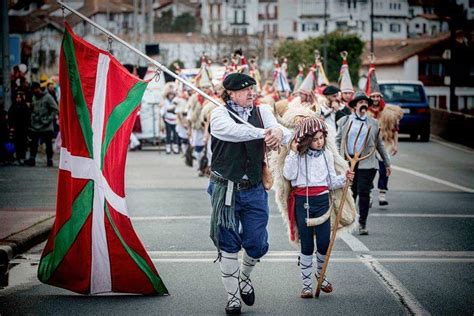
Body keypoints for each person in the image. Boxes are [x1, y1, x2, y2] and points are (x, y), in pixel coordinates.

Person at [208, 73, 291, 314]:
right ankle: (233, 298)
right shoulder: (219, 114)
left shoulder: (262, 110)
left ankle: (244, 276)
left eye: (252, 88)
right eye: (245, 89)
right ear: (231, 93)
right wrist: (264, 133)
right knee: (228, 243)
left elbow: (284, 133)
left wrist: (277, 132)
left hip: (254, 188)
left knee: (257, 243)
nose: (251, 92)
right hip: (226, 187)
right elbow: (232, 132)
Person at [283, 117, 353, 298]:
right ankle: (306, 285)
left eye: (321, 138)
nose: (319, 142)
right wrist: (292, 153)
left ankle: (321, 276)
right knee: (306, 245)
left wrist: (345, 178)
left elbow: (330, 182)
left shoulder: (327, 155)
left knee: (323, 243)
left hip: (322, 201)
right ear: (306, 140)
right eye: (314, 139)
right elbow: (288, 175)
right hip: (302, 202)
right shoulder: (298, 156)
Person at [336, 91, 391, 235]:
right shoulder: (344, 121)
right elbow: (337, 140)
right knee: (350, 192)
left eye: (366, 102)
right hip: (348, 161)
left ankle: (362, 224)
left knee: (364, 192)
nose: (364, 104)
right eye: (360, 102)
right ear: (355, 106)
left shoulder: (373, 123)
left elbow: (379, 145)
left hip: (367, 162)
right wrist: (335, 159)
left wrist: (387, 163)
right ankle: (351, 220)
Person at [25, 82, 59, 167]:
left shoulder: (48, 97)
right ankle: (32, 159)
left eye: (34, 89)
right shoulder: (34, 97)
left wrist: (48, 119)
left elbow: (55, 109)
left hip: (46, 126)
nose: (33, 91)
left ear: (38, 88)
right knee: (34, 143)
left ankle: (49, 160)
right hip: (35, 125)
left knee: (48, 144)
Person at [8, 91, 31, 165]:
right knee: (17, 143)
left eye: (19, 97)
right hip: (16, 128)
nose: (18, 99)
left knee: (23, 144)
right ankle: (18, 157)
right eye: (17, 98)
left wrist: (28, 127)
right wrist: (11, 126)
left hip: (24, 128)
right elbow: (10, 117)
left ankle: (22, 157)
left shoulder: (25, 106)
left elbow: (28, 118)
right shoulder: (13, 106)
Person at [160, 83, 179, 154]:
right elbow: (163, 110)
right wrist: (161, 113)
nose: (171, 96)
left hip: (176, 120)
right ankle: (168, 147)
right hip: (168, 120)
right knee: (168, 134)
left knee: (175, 134)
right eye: (170, 94)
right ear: (167, 95)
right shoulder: (165, 101)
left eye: (172, 94)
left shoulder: (176, 101)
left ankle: (175, 147)